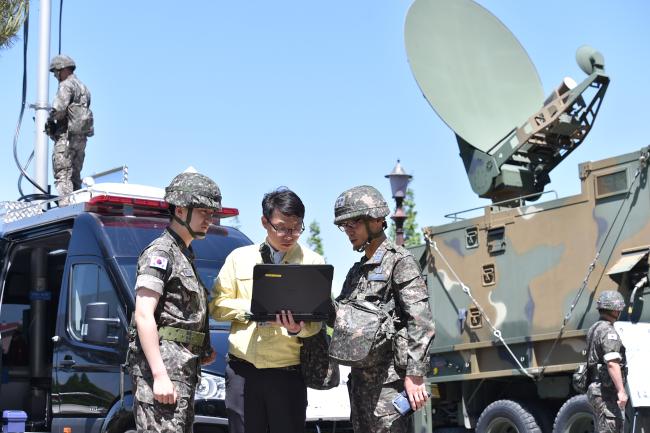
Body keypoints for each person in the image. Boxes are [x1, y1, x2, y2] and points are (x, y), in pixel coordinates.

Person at [210, 187, 324, 433]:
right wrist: (254, 309)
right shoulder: (238, 258)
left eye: (296, 228)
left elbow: (317, 321)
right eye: (281, 227)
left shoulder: (313, 263)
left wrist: (297, 329)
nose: (289, 235)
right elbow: (217, 306)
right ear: (265, 222)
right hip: (243, 374)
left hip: (288, 374)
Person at [332, 185, 435, 433]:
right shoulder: (356, 271)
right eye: (344, 225)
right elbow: (344, 321)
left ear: (377, 220)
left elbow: (420, 321)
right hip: (360, 384)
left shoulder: (400, 262)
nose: (348, 231)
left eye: (353, 223)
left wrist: (415, 374)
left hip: (389, 384)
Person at [127, 172, 221, 433]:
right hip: (165, 371)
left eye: (212, 213)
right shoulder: (161, 253)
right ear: (180, 209)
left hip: (182, 369)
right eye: (202, 211)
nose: (209, 220)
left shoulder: (184, 254)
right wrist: (159, 376)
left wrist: (201, 347)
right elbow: (144, 315)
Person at [46, 54, 94, 206]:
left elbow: (58, 109)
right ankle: (77, 206)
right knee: (75, 175)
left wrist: (49, 121)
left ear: (63, 69)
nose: (55, 75)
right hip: (80, 139)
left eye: (56, 71)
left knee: (63, 174)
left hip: (66, 138)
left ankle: (65, 209)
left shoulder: (66, 85)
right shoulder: (84, 88)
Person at [586, 290, 628, 433]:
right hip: (605, 392)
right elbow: (612, 362)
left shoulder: (594, 328)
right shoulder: (607, 331)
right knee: (611, 428)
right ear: (615, 310)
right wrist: (621, 391)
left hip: (596, 389)